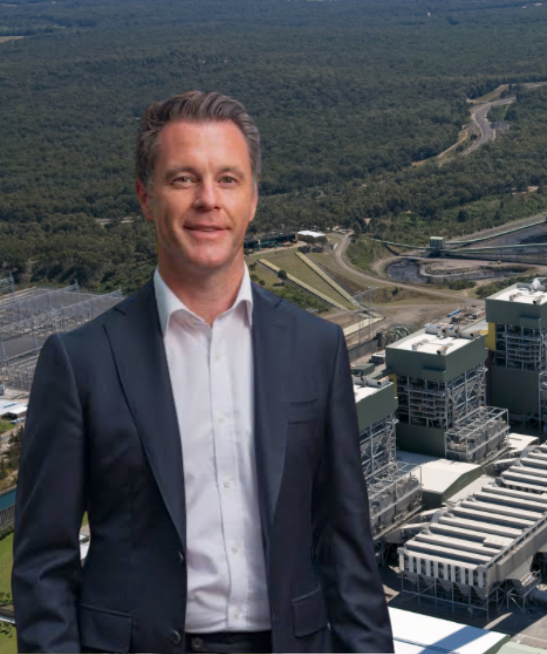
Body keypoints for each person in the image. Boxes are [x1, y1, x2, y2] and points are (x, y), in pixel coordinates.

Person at [13, 91, 394, 653]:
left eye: (228, 179)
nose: (208, 200)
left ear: (254, 199)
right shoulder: (79, 362)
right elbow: (44, 566)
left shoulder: (318, 348)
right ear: (146, 198)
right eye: (183, 179)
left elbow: (347, 549)